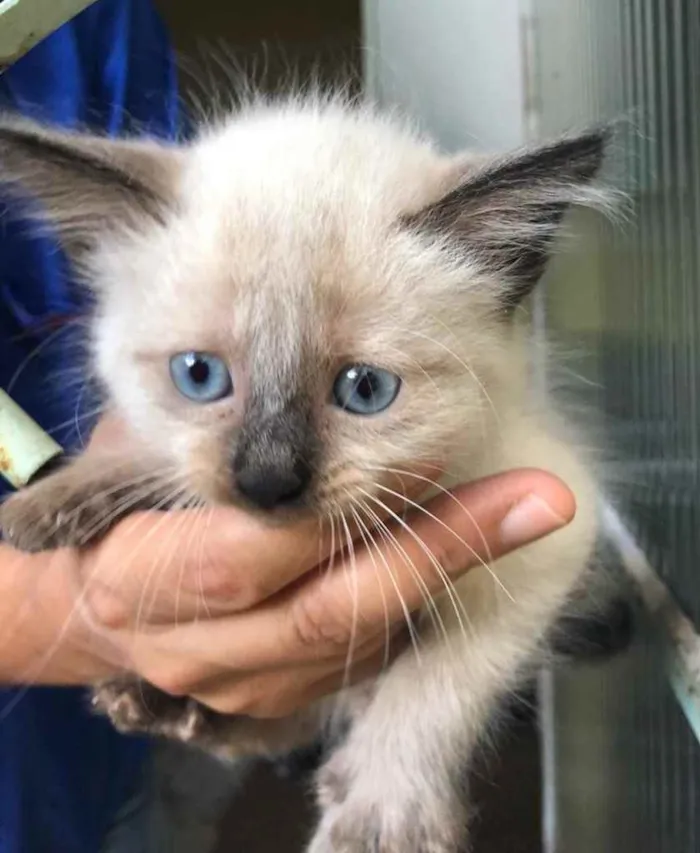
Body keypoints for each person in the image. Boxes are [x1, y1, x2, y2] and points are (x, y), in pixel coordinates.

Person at [0, 3, 576, 851]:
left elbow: (553, 545)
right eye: (201, 375)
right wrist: (72, 590)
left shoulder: (80, 19)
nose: (271, 470)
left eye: (365, 386)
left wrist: (408, 745)